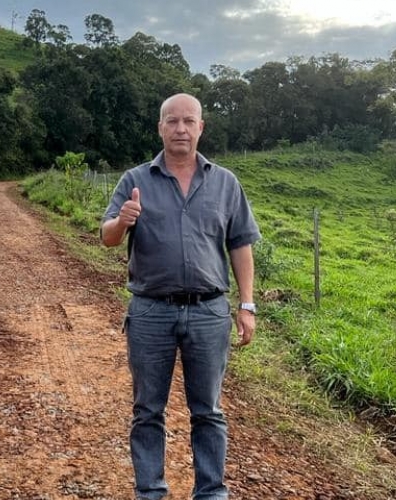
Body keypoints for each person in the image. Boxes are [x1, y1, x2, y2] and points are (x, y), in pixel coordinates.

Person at [100, 93, 260, 500]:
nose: (181, 129)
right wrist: (122, 221)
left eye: (189, 121)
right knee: (147, 410)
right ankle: (150, 492)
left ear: (201, 127)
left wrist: (246, 305)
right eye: (172, 121)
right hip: (151, 311)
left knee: (208, 411)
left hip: (209, 313)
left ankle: (211, 492)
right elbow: (107, 239)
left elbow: (240, 244)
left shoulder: (225, 183)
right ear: (160, 128)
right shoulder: (134, 180)